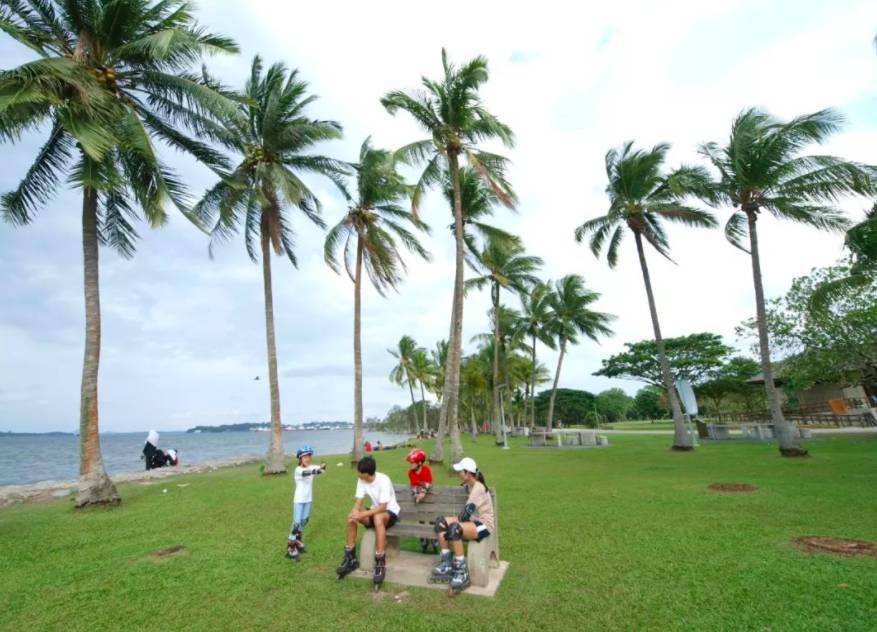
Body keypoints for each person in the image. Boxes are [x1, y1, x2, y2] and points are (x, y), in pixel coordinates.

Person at [430, 457, 495, 594]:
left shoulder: (478, 488)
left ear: (468, 473)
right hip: (472, 521)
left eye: (460, 471)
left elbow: (464, 516)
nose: (458, 474)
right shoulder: (470, 484)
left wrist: (450, 530)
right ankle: (446, 564)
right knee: (440, 522)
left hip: (484, 524)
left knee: (454, 529)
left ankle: (462, 572)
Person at [336, 456, 401, 590]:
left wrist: (362, 514)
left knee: (377, 518)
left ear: (367, 474)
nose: (358, 474)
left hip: (389, 513)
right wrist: (355, 512)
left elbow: (383, 507)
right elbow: (359, 501)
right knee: (351, 517)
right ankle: (350, 558)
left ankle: (380, 561)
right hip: (374, 512)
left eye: (360, 472)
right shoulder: (361, 480)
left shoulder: (384, 480)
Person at [286, 445, 327, 561]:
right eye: (304, 457)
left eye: (309, 456)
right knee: (296, 523)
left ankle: (298, 539)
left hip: (308, 499)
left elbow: (321, 468)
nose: (307, 459)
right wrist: (318, 470)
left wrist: (323, 466)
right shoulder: (298, 470)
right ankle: (291, 546)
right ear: (300, 458)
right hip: (299, 500)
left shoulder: (311, 466)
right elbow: (308, 473)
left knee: (304, 520)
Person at [406, 448, 435, 553]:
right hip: (420, 501)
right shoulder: (411, 473)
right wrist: (416, 495)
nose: (410, 465)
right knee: (421, 519)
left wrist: (422, 492)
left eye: (412, 463)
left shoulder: (426, 470)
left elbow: (428, 483)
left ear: (419, 463)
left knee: (431, 519)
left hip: (430, 500)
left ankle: (434, 539)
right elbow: (413, 486)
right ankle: (424, 539)